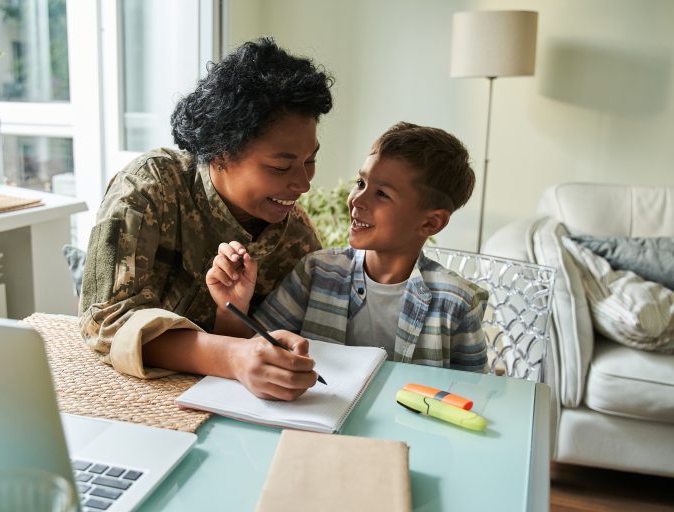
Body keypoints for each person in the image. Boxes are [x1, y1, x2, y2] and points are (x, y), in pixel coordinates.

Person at [79, 37, 334, 400]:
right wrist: (233, 357)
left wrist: (242, 327)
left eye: (311, 161)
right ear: (221, 155)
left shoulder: (297, 238)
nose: (304, 183)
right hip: (124, 399)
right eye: (281, 166)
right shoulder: (149, 187)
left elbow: (276, 344)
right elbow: (104, 323)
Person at [207, 122, 489, 382]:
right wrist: (232, 307)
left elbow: (477, 393)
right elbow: (251, 352)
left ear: (430, 222)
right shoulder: (316, 271)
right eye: (361, 183)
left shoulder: (458, 302)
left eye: (382, 194)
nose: (357, 200)